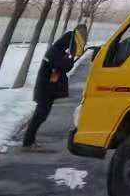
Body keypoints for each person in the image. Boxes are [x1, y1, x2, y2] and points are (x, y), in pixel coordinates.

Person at [20, 23, 88, 152]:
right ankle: (28, 143)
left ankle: (29, 141)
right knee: (39, 115)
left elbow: (64, 66)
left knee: (41, 115)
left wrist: (69, 57)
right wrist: (70, 58)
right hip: (45, 89)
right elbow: (64, 67)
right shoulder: (55, 52)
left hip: (47, 89)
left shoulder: (58, 50)